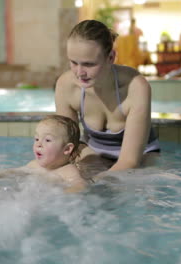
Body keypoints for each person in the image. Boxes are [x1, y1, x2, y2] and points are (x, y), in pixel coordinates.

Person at [55, 19, 161, 175]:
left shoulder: (135, 87)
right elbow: (66, 146)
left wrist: (96, 184)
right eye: (73, 62)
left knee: (134, 179)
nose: (79, 72)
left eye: (89, 64)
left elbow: (129, 161)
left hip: (141, 156)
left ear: (111, 57)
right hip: (93, 153)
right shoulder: (67, 86)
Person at [0, 115, 87, 192]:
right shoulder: (34, 165)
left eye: (47, 140)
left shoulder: (67, 171)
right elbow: (15, 172)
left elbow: (80, 185)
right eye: (36, 139)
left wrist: (63, 195)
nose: (38, 144)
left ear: (67, 149)